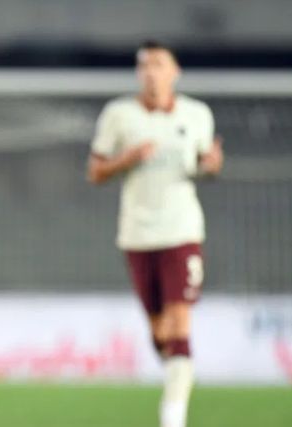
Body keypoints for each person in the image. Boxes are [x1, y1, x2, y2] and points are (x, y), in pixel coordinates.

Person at [87, 40, 223, 427]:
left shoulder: (197, 114)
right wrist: (127, 158)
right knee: (161, 334)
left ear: (174, 72)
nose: (150, 72)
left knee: (180, 324)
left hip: (182, 231)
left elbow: (204, 164)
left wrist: (212, 165)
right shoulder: (119, 115)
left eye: (158, 64)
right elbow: (95, 171)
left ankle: (172, 418)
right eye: (144, 65)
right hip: (137, 234)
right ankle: (179, 375)